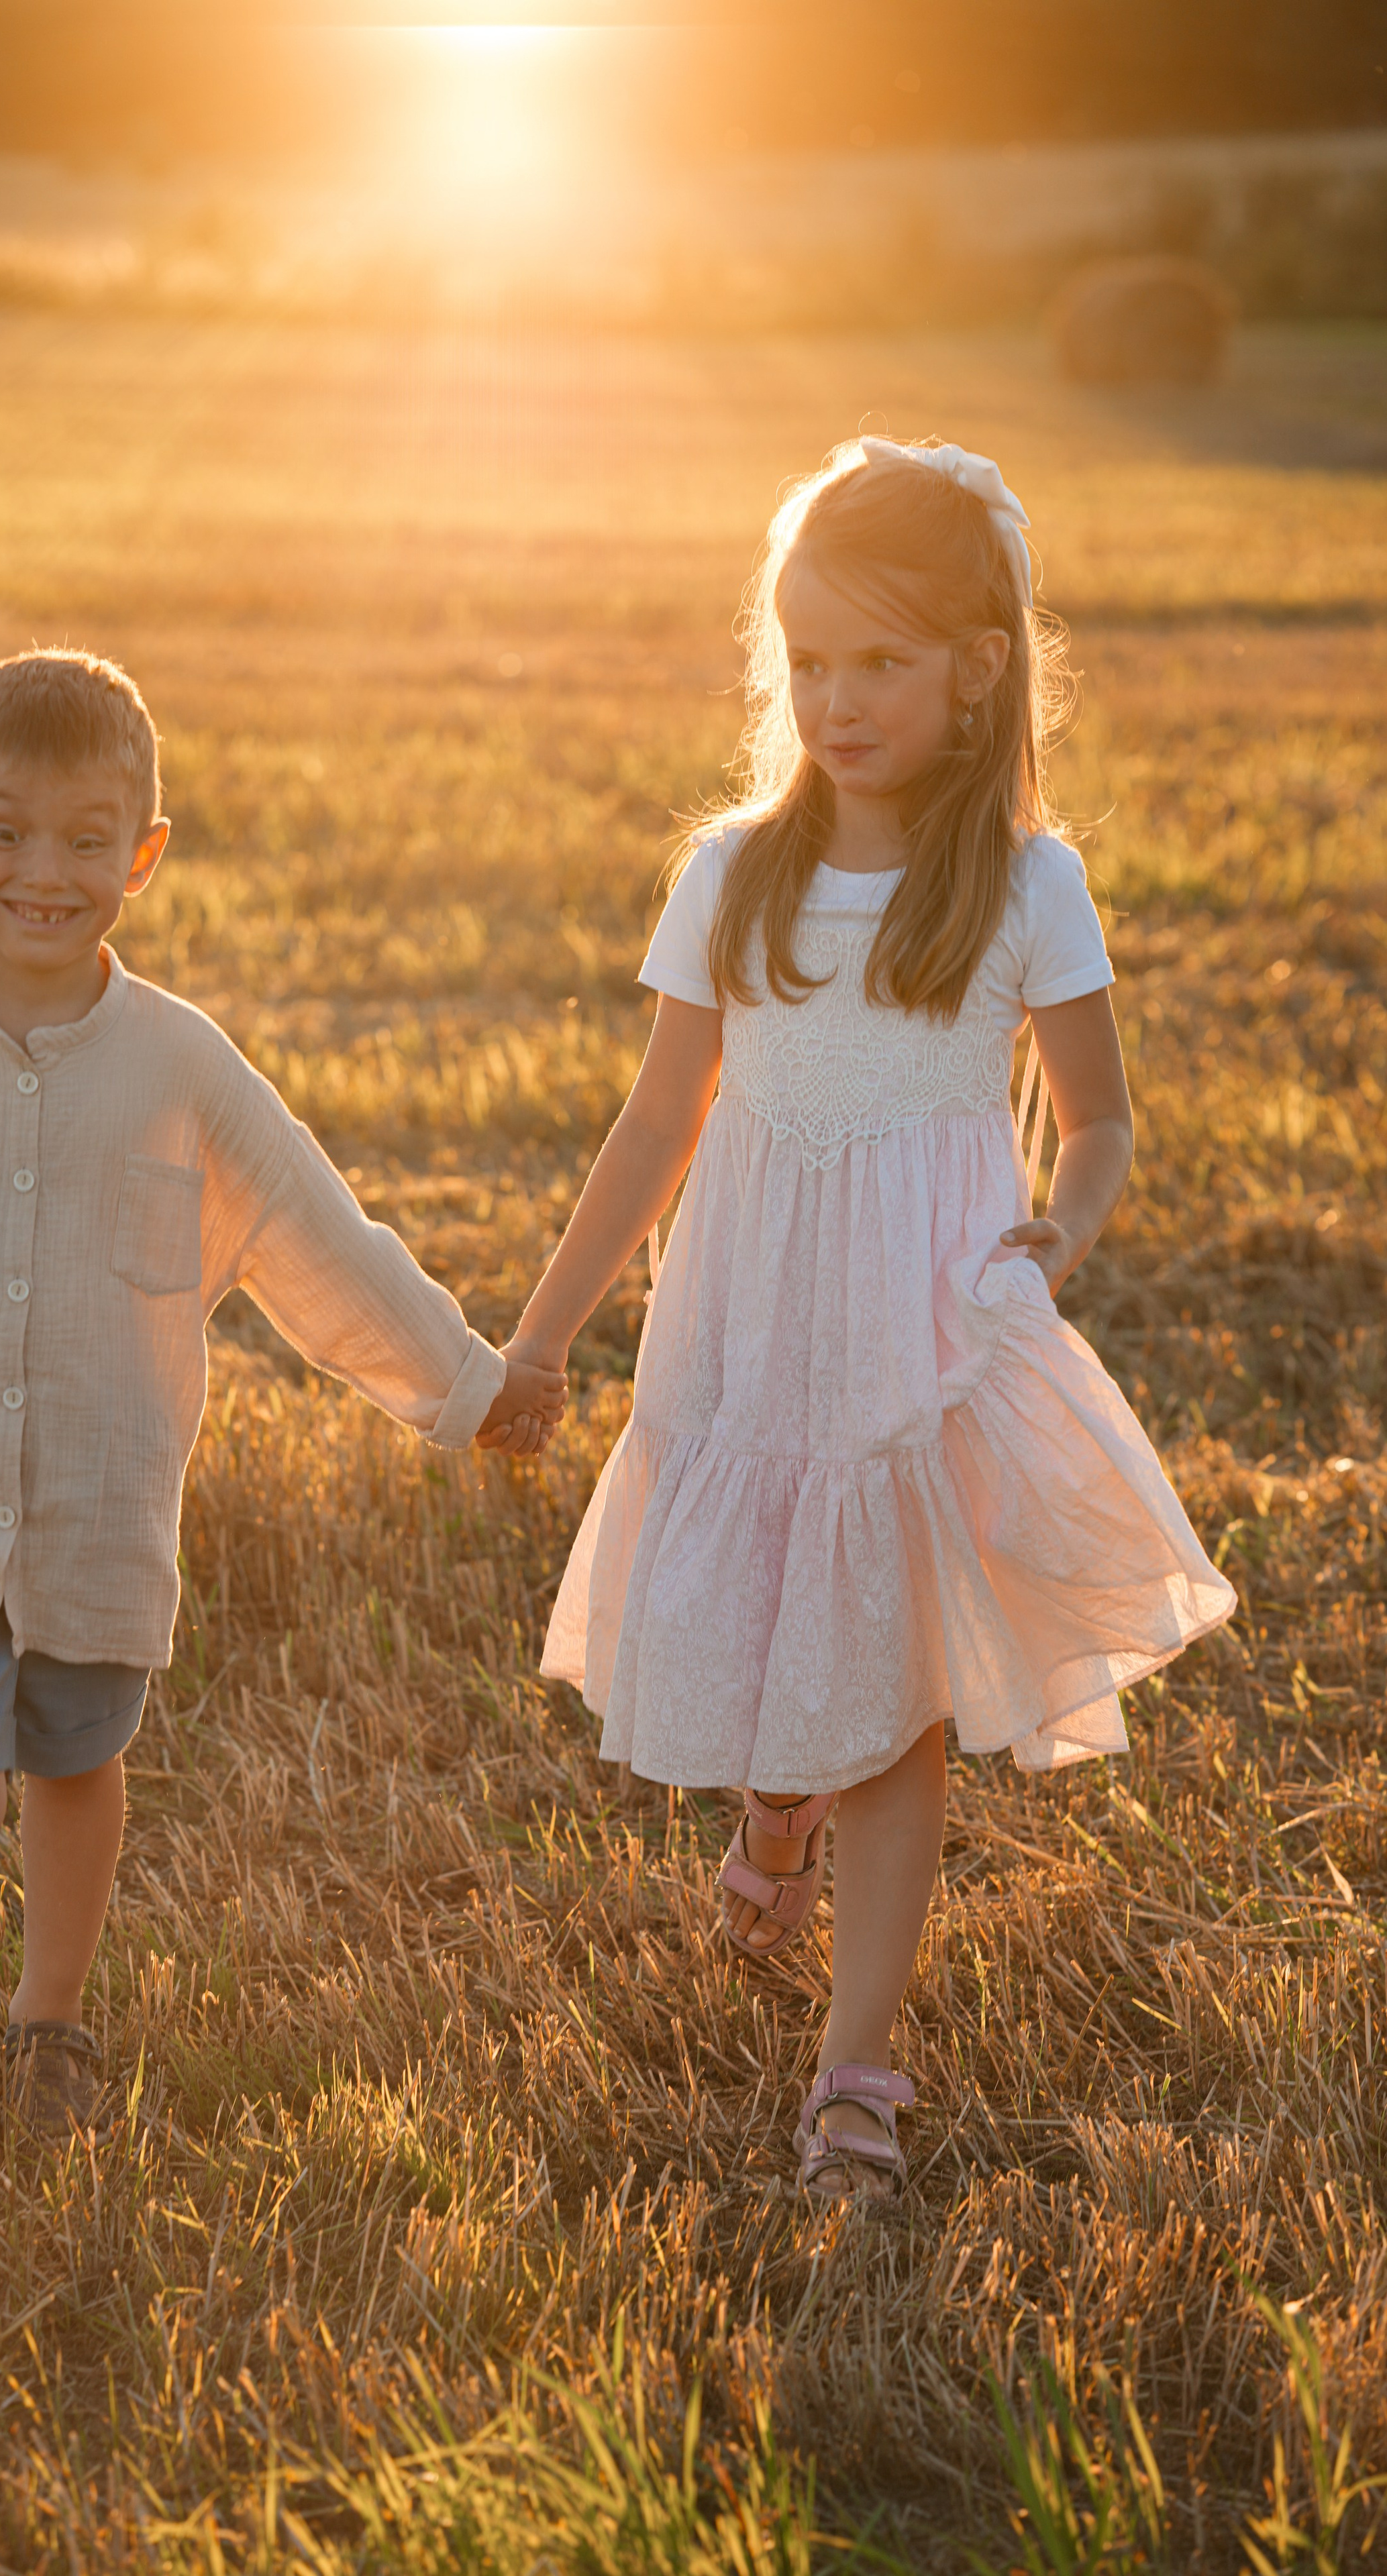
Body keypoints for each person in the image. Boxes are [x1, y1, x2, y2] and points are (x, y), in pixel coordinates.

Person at [0, 647, 564, 2267]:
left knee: (71, 1767)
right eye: (6, 831)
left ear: (145, 853)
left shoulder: (181, 1063)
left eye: (85, 839)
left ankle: (49, 2021)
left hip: (97, 1525)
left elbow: (321, 1237)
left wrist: (466, 1386)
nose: (43, 872)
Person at [498, 439, 1234, 2202]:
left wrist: (1069, 1216)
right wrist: (540, 1337)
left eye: (880, 662)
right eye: (810, 660)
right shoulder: (736, 877)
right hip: (753, 1315)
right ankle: (773, 1826)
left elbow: (1102, 1114)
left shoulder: (1024, 886)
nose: (837, 698)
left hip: (923, 1328)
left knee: (894, 1683)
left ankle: (856, 2062)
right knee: (771, 1648)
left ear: (978, 670)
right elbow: (657, 1122)